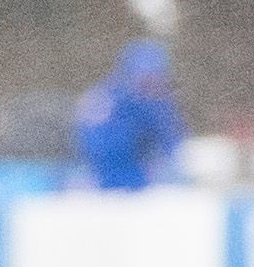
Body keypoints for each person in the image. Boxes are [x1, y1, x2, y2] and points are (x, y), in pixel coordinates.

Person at [75, 37, 182, 191]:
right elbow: (99, 149)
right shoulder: (105, 101)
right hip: (107, 184)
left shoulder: (159, 104)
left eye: (157, 79)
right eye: (146, 79)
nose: (152, 85)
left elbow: (172, 142)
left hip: (148, 184)